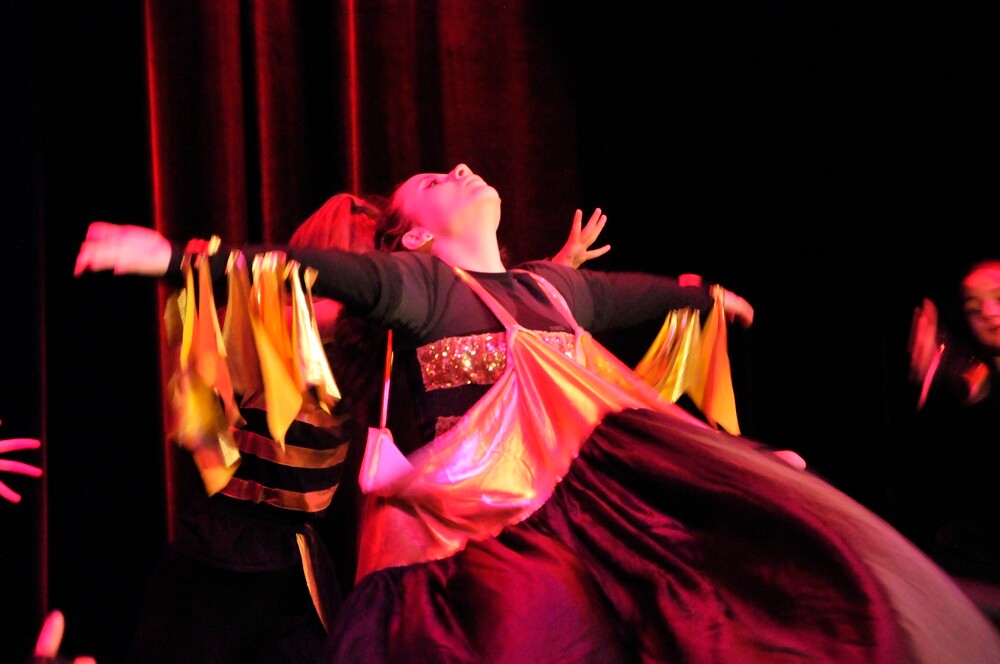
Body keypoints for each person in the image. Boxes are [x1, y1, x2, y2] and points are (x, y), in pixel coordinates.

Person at [75, 164, 1000, 663]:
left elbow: (629, 296)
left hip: (569, 528)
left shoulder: (552, 290)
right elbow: (309, 268)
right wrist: (172, 257)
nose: (461, 167)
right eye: (437, 178)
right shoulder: (423, 289)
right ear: (419, 237)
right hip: (477, 561)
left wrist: (698, 296)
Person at [906, 258, 1000, 626]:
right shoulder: (972, 380)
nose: (988, 313)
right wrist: (939, 368)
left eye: (999, 298)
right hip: (973, 568)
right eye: (974, 308)